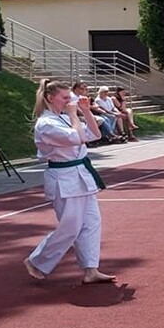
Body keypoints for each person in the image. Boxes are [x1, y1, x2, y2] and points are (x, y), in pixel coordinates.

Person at [23, 79, 116, 284]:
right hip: (64, 178)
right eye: (65, 97)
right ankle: (36, 260)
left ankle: (91, 269)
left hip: (81, 175)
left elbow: (94, 134)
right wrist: (74, 114)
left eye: (69, 97)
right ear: (50, 98)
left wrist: (86, 111)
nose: (69, 101)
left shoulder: (64, 118)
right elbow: (76, 138)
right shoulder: (46, 124)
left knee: (91, 222)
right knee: (71, 227)